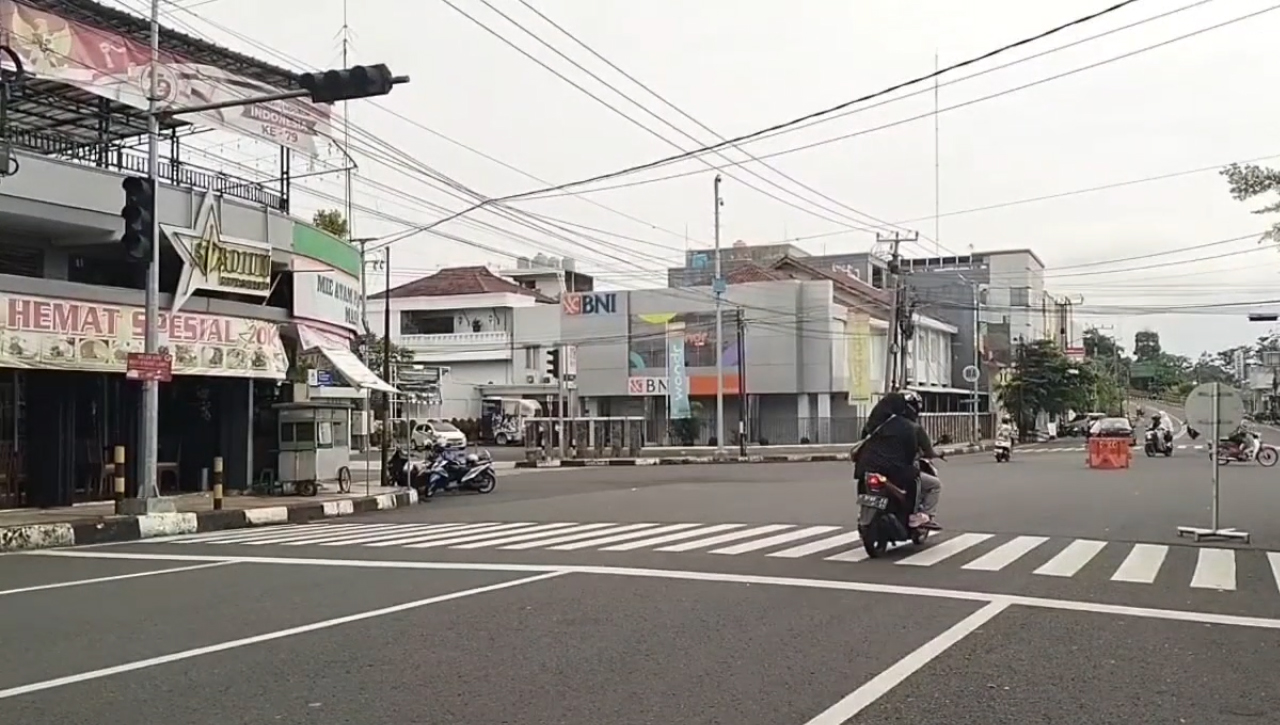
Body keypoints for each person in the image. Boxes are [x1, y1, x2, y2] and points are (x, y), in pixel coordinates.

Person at [854, 390, 942, 529]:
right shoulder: (914, 428)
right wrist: (938, 453)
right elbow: (928, 451)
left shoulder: (874, 425)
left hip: (866, 468)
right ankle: (919, 516)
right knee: (933, 484)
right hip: (895, 471)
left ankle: (864, 516)